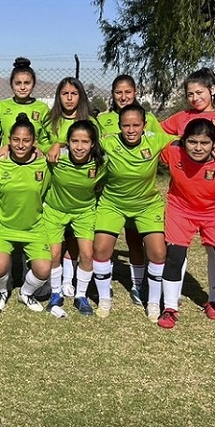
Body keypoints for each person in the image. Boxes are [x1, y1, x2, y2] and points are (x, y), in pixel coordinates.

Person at [160, 68, 215, 311]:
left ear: (213, 90)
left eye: (199, 92)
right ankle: (171, 301)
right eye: (190, 94)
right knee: (177, 250)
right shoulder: (182, 117)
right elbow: (159, 133)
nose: (195, 98)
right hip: (184, 196)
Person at [157, 119, 215, 335]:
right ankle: (170, 308)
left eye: (204, 143)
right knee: (174, 256)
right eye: (192, 142)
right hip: (180, 210)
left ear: (214, 143)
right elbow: (151, 139)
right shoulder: (172, 152)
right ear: (183, 141)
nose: (198, 148)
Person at [93, 103, 175, 319]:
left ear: (144, 125)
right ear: (119, 126)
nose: (131, 130)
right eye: (126, 125)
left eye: (136, 125)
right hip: (113, 204)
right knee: (101, 249)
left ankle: (153, 303)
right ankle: (104, 300)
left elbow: (188, 142)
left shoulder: (156, 140)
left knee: (158, 252)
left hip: (147, 205)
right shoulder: (108, 142)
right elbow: (79, 144)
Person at [96, 74, 162, 305]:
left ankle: (138, 285)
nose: (123, 97)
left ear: (135, 93)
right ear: (112, 95)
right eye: (118, 92)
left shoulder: (150, 119)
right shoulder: (102, 119)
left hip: (140, 194)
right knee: (102, 242)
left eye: (128, 92)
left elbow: (162, 144)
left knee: (135, 239)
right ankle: (101, 287)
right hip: (110, 192)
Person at [0, 114, 52, 314]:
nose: (21, 145)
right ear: (8, 141)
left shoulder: (43, 165)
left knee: (43, 270)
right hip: (2, 226)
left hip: (34, 227)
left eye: (26, 140)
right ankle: (2, 291)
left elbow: (46, 191)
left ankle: (26, 292)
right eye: (15, 140)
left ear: (34, 143)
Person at [42, 120, 105, 317]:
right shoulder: (56, 156)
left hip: (84, 212)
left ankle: (81, 296)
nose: (79, 147)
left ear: (93, 143)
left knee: (87, 254)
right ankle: (55, 293)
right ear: (67, 142)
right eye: (74, 141)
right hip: (54, 210)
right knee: (53, 255)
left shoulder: (102, 161)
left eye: (85, 142)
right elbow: (30, 147)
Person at [0, 57, 49, 145]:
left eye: (27, 83)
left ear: (33, 84)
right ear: (11, 84)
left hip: (34, 157)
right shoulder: (1, 107)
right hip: (7, 157)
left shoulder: (42, 108)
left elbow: (45, 140)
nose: (22, 87)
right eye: (18, 83)